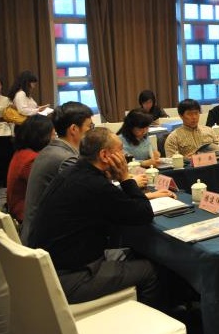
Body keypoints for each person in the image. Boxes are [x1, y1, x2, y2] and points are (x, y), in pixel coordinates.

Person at [26, 127, 160, 307]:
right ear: (104, 155)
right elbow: (143, 213)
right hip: (71, 278)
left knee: (131, 253)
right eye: (120, 150)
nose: (124, 155)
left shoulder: (70, 173)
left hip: (47, 270)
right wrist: (125, 178)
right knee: (149, 270)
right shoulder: (94, 184)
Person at [22, 101, 94, 245]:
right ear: (74, 129)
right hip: (45, 241)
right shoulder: (66, 159)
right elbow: (87, 198)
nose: (92, 132)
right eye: (90, 127)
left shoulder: (49, 149)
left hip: (32, 232)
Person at [7, 115, 54, 222]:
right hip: (26, 214)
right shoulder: (31, 159)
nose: (54, 139)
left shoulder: (22, 152)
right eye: (53, 135)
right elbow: (47, 189)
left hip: (19, 208)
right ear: (42, 136)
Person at [0, 76, 12, 187]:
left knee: (5, 157)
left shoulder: (6, 99)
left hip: (5, 131)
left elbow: (11, 116)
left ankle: (5, 182)